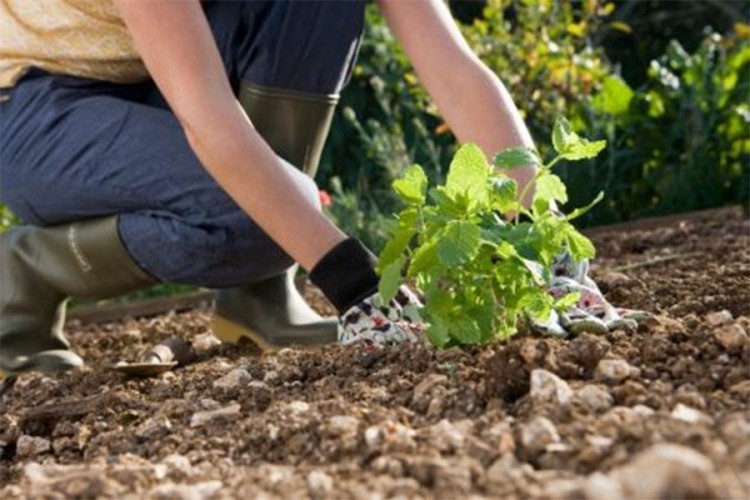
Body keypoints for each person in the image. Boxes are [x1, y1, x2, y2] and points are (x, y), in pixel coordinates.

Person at [0, 0, 635, 377]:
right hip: (36, 109)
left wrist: (546, 248)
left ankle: (256, 295)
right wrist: (357, 288)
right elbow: (205, 113)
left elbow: (455, 66)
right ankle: (26, 266)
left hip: (156, 78)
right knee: (255, 221)